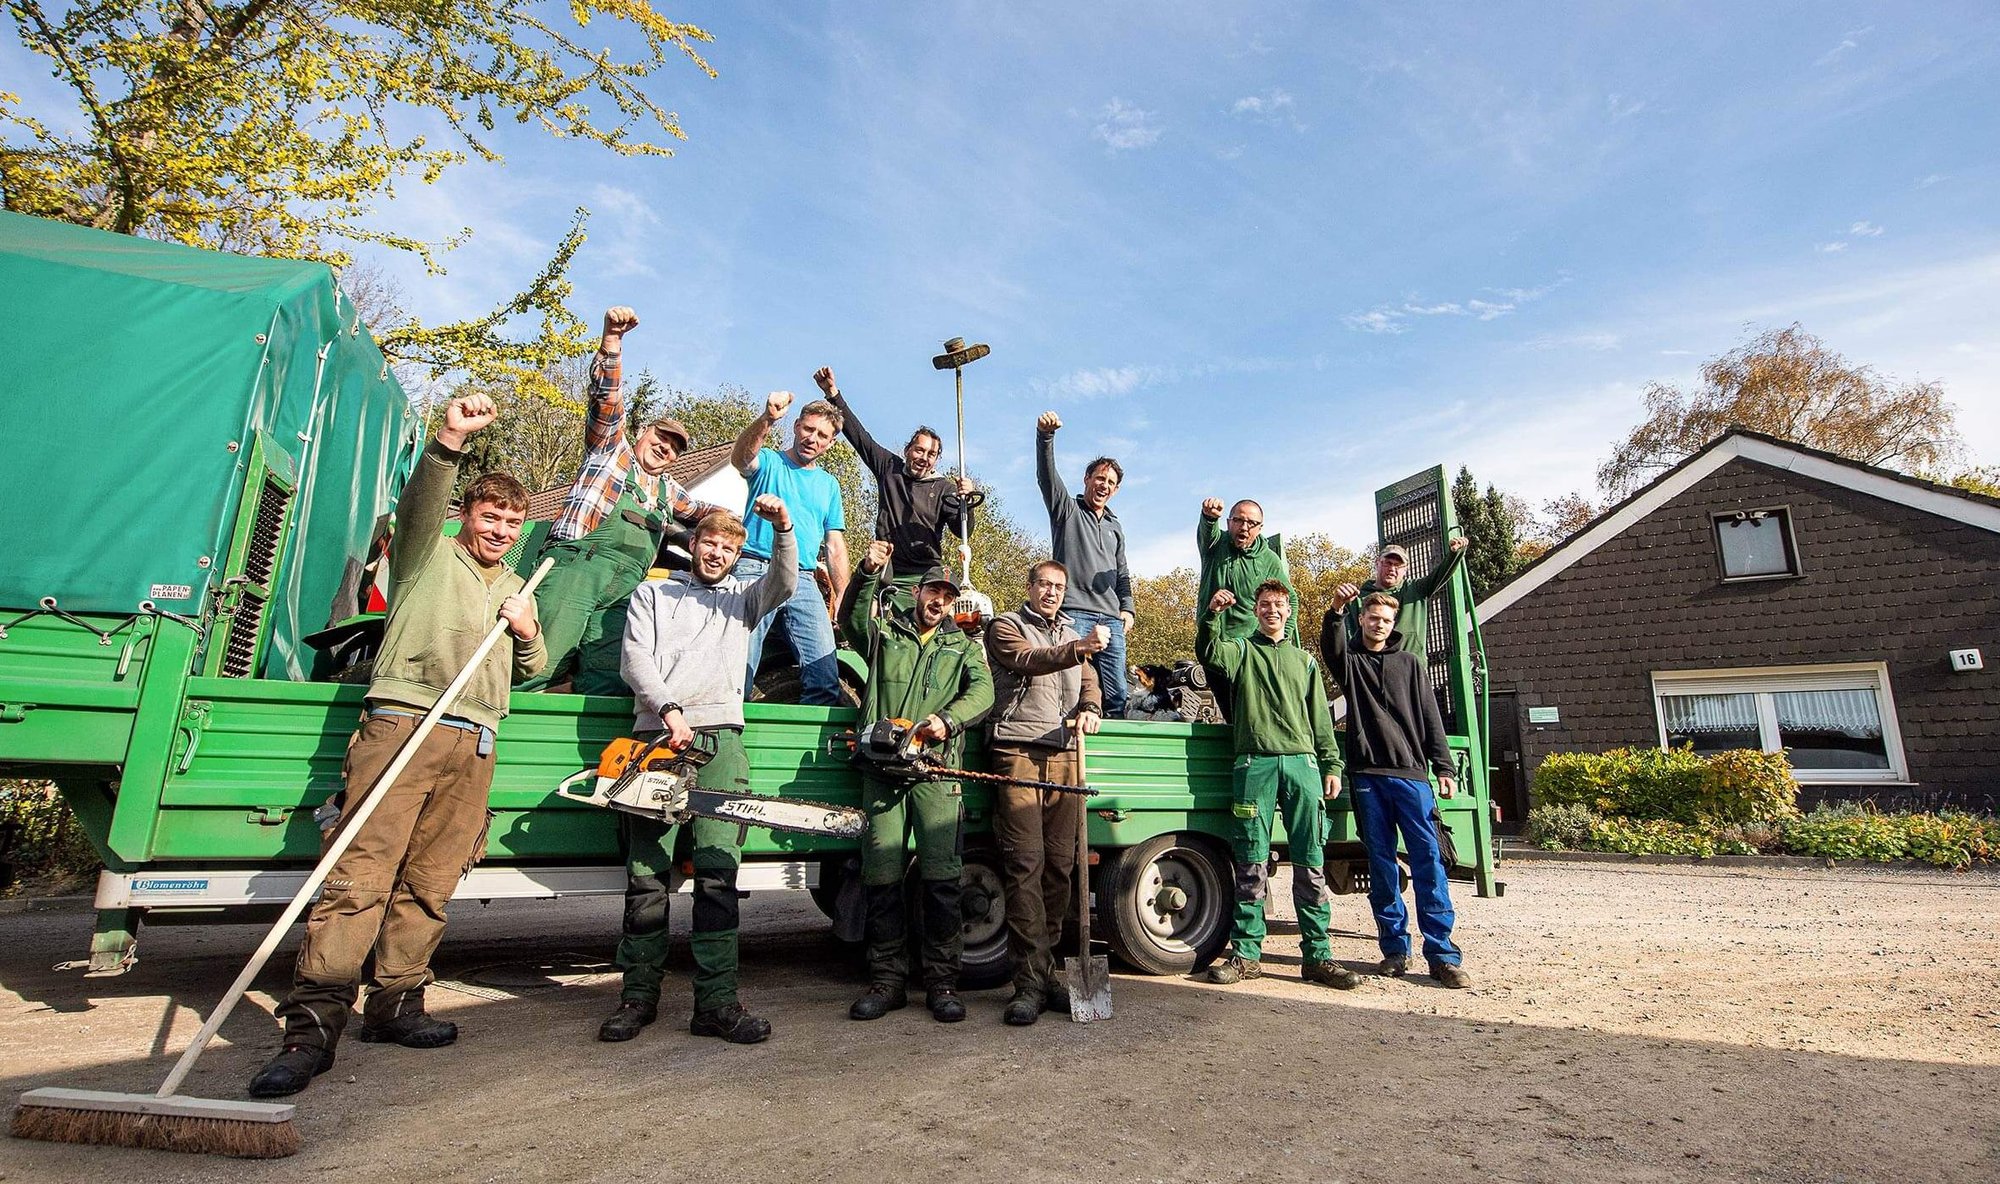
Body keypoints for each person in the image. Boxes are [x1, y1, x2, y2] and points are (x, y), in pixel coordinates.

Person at [250, 393, 546, 1098]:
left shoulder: (517, 584)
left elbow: (532, 673)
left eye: (512, 522)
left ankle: (397, 1003)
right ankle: (313, 1026)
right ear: (467, 516)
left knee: (431, 884)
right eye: (490, 516)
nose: (501, 530)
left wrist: (529, 631)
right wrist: (447, 441)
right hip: (402, 726)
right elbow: (420, 504)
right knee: (360, 876)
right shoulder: (426, 555)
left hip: (475, 740)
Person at [598, 494, 799, 1045]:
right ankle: (637, 998)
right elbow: (634, 658)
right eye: (709, 543)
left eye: (728, 548)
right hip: (657, 738)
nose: (716, 553)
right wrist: (667, 709)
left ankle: (716, 1003)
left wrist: (783, 528)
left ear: (737, 556)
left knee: (717, 876)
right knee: (647, 876)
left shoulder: (743, 600)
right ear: (693, 545)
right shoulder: (653, 593)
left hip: (721, 741)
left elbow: (785, 582)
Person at [523, 306, 721, 695]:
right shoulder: (611, 452)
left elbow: (710, 515)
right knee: (540, 661)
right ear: (643, 432)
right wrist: (612, 342)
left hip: (626, 588)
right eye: (660, 437)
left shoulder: (669, 491)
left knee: (610, 675)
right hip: (576, 569)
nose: (665, 448)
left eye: (674, 448)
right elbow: (607, 400)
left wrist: (762, 517)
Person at [839, 541, 994, 1023]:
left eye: (948, 596)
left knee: (942, 882)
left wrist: (948, 721)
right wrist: (865, 573)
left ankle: (943, 983)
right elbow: (852, 619)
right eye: (933, 591)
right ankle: (886, 982)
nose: (939, 602)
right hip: (881, 772)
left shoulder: (963, 647)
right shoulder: (887, 634)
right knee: (881, 877)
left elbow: (983, 693)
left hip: (935, 773)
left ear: (952, 603)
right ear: (919, 591)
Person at [1195, 580, 1358, 990]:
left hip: (1302, 765)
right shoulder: (1242, 650)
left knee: (1311, 859)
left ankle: (1318, 957)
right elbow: (1210, 653)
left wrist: (1331, 765)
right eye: (1265, 604)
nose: (1272, 610)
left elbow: (1321, 720)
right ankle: (1247, 954)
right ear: (1255, 610)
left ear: (1290, 612)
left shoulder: (1304, 661)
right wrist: (1211, 614)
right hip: (1255, 763)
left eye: (1279, 605)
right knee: (1251, 858)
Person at [1321, 590, 1472, 989]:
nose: (1379, 624)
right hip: (1368, 775)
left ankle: (1442, 955)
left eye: (1386, 620)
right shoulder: (1351, 664)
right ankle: (1395, 950)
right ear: (1363, 620)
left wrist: (1443, 766)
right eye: (1372, 617)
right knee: (1383, 866)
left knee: (1429, 863)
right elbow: (1331, 649)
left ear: (1393, 625)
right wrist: (1336, 612)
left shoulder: (1410, 664)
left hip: (1412, 776)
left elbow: (1430, 716)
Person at [982, 560, 1106, 1025]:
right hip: (1018, 749)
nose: (1052, 593)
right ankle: (1029, 983)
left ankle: (1049, 971)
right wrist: (1078, 648)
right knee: (1025, 865)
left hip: (1067, 751)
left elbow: (1089, 680)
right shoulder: (1006, 626)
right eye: (1045, 585)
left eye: (1059, 587)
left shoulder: (1073, 633)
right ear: (1030, 587)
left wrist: (1091, 707)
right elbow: (1029, 662)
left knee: (1060, 865)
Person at [815, 365, 978, 597]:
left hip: (926, 572)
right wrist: (833, 394)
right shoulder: (890, 467)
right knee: (866, 613)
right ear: (908, 450)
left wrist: (967, 502)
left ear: (936, 459)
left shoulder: (944, 488)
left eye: (931, 454)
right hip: (888, 567)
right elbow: (859, 437)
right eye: (919, 451)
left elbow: (962, 531)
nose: (924, 458)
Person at [731, 390, 850, 704]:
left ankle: (802, 748)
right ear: (796, 426)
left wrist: (843, 595)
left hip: (804, 578)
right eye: (808, 429)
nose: (813, 438)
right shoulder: (769, 461)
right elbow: (741, 457)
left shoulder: (829, 485)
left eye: (822, 435)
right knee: (735, 673)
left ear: (831, 443)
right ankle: (724, 742)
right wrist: (767, 419)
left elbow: (835, 545)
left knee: (825, 676)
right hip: (756, 566)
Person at [1035, 411, 1133, 715]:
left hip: (1111, 620)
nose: (1104, 485)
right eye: (1099, 478)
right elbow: (1046, 476)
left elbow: (1122, 572)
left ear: (1116, 490)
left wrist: (1127, 608)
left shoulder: (1116, 526)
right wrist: (1045, 437)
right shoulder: (1067, 511)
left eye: (1111, 482)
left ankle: (1113, 758)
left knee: (1117, 694)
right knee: (1072, 687)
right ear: (1087, 480)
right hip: (1075, 614)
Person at [1339, 535, 1469, 657]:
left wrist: (1454, 554)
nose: (1392, 569)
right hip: (1373, 669)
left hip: (1411, 669)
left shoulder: (1416, 589)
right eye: (1388, 563)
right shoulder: (1358, 599)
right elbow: (1348, 638)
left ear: (1406, 569)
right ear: (1377, 563)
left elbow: (1440, 575)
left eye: (1398, 565)